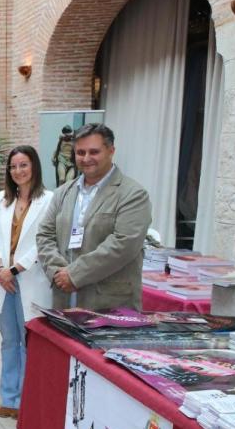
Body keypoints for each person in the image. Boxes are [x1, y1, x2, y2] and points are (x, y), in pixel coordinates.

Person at [37, 123, 152, 310]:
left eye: (94, 152)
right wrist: (58, 272)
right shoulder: (63, 192)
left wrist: (74, 275)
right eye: (80, 152)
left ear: (111, 151)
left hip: (108, 305)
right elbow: (45, 235)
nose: (86, 158)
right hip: (64, 299)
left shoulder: (133, 194)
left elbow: (123, 245)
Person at [0, 145, 53, 420]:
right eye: (13, 166)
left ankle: (27, 399)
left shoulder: (49, 200)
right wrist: (0, 268)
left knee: (29, 342)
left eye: (23, 165)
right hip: (4, 281)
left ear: (34, 166)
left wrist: (14, 269)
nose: (18, 171)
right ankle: (9, 397)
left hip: (29, 278)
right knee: (9, 341)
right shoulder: (2, 200)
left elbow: (44, 241)